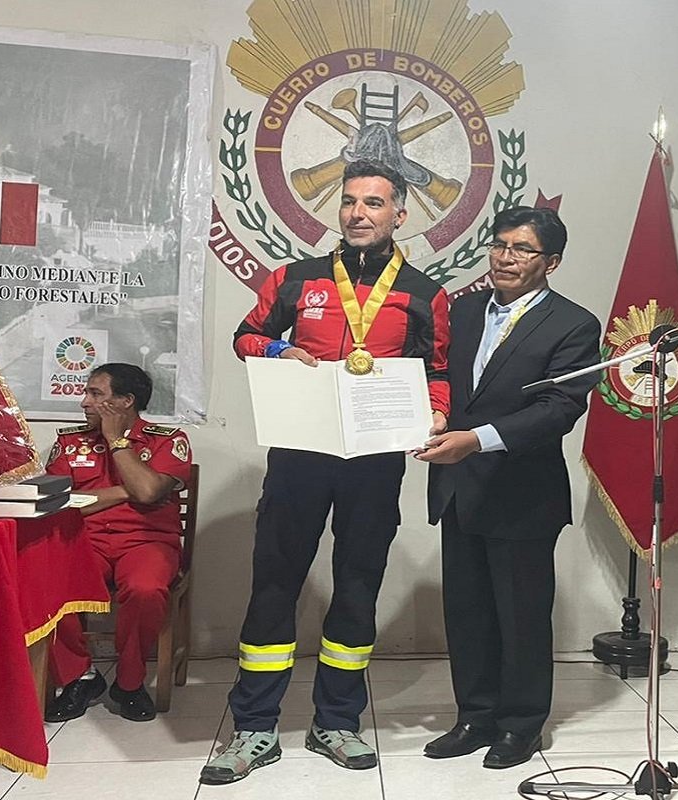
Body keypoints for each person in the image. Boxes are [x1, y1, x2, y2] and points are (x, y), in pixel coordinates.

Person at [201, 160, 451, 784]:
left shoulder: (424, 292)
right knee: (275, 583)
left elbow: (437, 369)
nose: (358, 213)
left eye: (373, 203)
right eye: (349, 203)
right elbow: (245, 337)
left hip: (375, 461)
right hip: (300, 455)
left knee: (359, 584)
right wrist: (283, 349)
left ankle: (335, 721)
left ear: (400, 214)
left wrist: (440, 414)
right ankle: (255, 728)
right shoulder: (295, 278)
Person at [416, 206, 601, 769]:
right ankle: (474, 716)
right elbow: (436, 377)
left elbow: (559, 409)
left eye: (522, 249)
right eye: (499, 245)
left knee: (520, 615)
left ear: (552, 262)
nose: (505, 257)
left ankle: (521, 725)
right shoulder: (463, 310)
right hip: (456, 485)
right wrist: (427, 412)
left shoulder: (574, 324)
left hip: (523, 493)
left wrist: (475, 440)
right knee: (467, 611)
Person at [43, 363, 192, 723]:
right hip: (84, 541)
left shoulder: (168, 440)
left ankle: (129, 682)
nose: (84, 403)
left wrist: (116, 443)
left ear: (126, 401)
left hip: (147, 541)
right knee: (47, 585)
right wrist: (128, 491)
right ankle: (80, 676)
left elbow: (148, 490)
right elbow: (58, 502)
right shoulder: (70, 441)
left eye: (96, 394)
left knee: (145, 589)